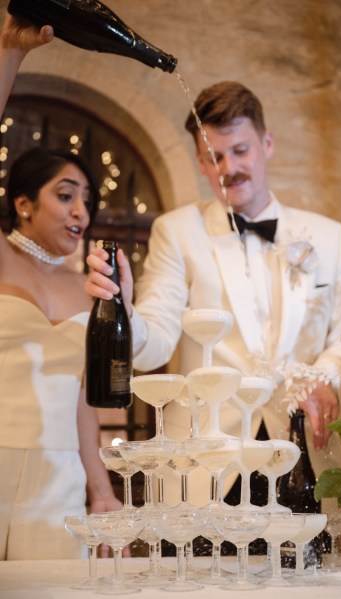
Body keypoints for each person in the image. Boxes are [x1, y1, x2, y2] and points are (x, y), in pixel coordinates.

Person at [86, 82, 341, 507]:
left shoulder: (330, 238)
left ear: (267, 143)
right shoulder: (177, 232)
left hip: (303, 455)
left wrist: (325, 374)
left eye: (240, 150)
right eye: (214, 157)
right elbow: (153, 343)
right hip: (205, 468)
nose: (228, 168)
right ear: (200, 162)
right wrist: (124, 309)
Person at [0, 14, 122, 560]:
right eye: (66, 194)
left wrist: (102, 492)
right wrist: (9, 53)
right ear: (24, 203)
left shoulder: (87, 287)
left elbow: (82, 400)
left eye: (88, 200)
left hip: (60, 478)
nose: (82, 210)